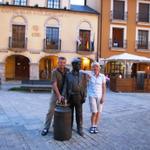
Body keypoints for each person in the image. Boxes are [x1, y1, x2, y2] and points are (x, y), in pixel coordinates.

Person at [41, 57, 69, 136]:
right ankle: (46, 127)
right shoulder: (54, 72)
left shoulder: (67, 71)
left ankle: (60, 125)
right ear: (58, 63)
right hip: (55, 93)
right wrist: (59, 96)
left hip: (64, 94)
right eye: (60, 62)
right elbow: (54, 84)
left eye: (63, 62)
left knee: (64, 111)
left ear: (65, 63)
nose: (62, 64)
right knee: (51, 110)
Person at [62, 58, 87, 137]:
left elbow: (84, 86)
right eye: (78, 64)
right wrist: (63, 96)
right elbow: (65, 86)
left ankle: (79, 128)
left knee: (79, 114)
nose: (80, 65)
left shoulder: (82, 75)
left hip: (79, 96)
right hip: (70, 96)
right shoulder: (68, 74)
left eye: (80, 64)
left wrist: (84, 96)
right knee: (70, 113)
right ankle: (70, 126)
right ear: (73, 65)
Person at [88, 62, 106, 134]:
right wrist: (86, 79)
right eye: (94, 67)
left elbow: (104, 87)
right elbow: (85, 84)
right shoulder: (89, 75)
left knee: (99, 112)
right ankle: (92, 125)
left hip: (100, 96)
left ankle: (95, 126)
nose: (95, 68)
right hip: (92, 95)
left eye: (96, 67)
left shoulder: (102, 76)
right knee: (94, 112)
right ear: (92, 68)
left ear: (99, 68)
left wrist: (103, 97)